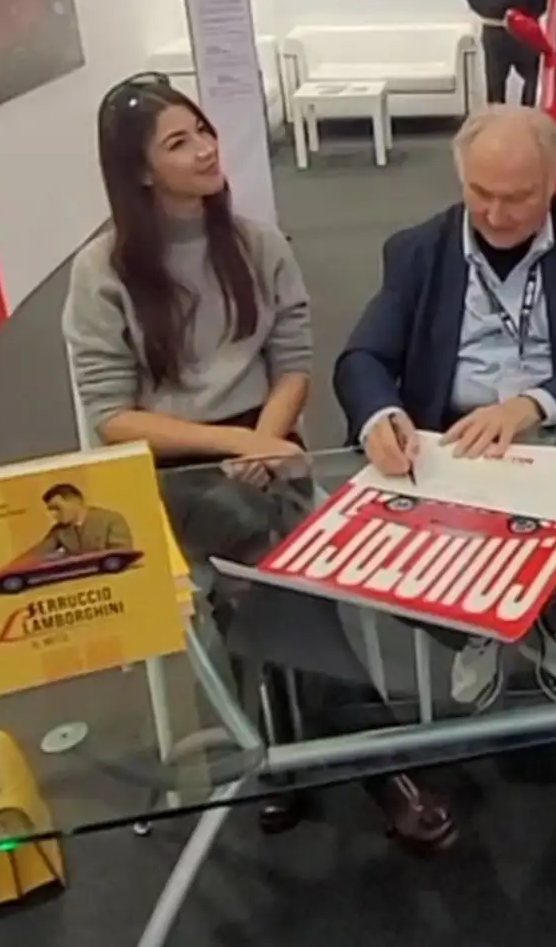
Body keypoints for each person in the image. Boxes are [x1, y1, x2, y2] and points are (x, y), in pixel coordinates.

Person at [63, 73, 455, 852]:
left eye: (203, 131)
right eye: (179, 143)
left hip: (270, 444)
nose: (206, 149)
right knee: (277, 564)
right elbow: (113, 416)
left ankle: (277, 754)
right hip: (172, 464)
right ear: (140, 171)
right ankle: (380, 764)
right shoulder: (102, 270)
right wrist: (240, 446)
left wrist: (267, 440)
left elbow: (293, 366)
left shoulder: (258, 244)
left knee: (267, 568)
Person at [333, 104, 556, 709]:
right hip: (455, 441)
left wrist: (534, 403)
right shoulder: (418, 251)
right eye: (481, 194)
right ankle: (476, 629)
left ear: (553, 183)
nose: (497, 215)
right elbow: (362, 357)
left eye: (519, 198)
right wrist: (380, 416)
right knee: (401, 563)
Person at [32, 483, 132, 556]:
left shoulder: (111, 520)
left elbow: (121, 554)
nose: (53, 515)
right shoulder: (59, 531)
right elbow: (38, 553)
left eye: (57, 508)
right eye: (51, 510)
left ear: (75, 502)